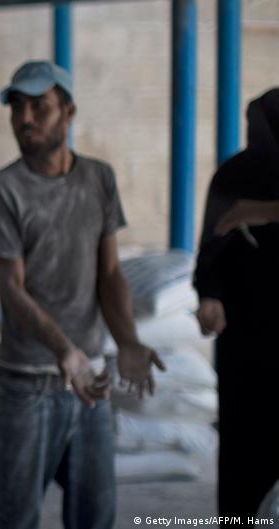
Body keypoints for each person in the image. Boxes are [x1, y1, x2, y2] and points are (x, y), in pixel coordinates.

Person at [0, 60, 165, 529]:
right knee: (16, 519)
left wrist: (126, 341)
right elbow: (12, 290)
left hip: (91, 384)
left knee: (95, 516)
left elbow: (109, 273)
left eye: (39, 107)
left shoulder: (98, 179)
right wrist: (67, 352)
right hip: (27, 385)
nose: (25, 118)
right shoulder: (3, 189)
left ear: (69, 112)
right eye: (17, 107)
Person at [193, 88, 279, 519]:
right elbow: (210, 251)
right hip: (245, 343)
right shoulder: (233, 176)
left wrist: (263, 210)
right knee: (244, 460)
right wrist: (208, 296)